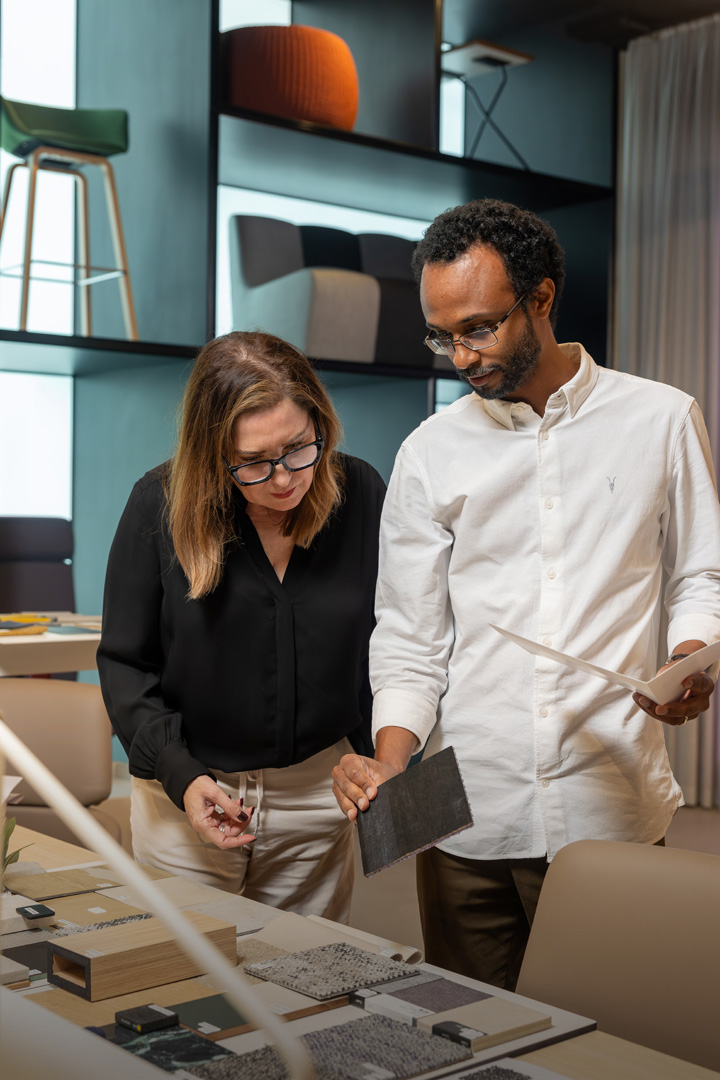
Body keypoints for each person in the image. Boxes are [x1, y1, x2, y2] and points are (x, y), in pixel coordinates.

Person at [332, 198, 720, 987]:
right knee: (469, 1028)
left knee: (614, 1029)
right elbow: (409, 635)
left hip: (608, 802)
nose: (460, 356)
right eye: (441, 334)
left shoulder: (661, 419)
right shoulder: (429, 451)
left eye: (479, 328)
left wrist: (689, 660)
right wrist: (392, 761)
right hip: (466, 812)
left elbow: (699, 575)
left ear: (541, 298)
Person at [98, 330, 385, 922]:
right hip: (190, 791)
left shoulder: (361, 494)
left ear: (320, 423)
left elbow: (396, 640)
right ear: (213, 454)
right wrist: (181, 776)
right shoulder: (158, 503)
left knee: (305, 972)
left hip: (318, 796)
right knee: (186, 972)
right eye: (253, 462)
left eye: (298, 447)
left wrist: (376, 753)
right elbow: (126, 665)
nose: (283, 478)